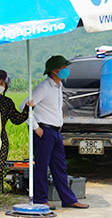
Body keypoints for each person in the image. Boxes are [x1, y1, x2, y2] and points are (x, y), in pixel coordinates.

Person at [28, 56, 88, 209]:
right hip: (44, 132)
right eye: (63, 68)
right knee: (42, 167)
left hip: (56, 132)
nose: (66, 70)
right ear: (55, 71)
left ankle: (68, 199)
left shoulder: (59, 86)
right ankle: (40, 200)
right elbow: (25, 108)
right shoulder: (44, 88)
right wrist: (36, 128)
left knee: (60, 167)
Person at [0, 69, 29, 210]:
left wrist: (27, 109)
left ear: (5, 86)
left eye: (1, 83)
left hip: (0, 142)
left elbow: (17, 120)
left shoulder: (7, 102)